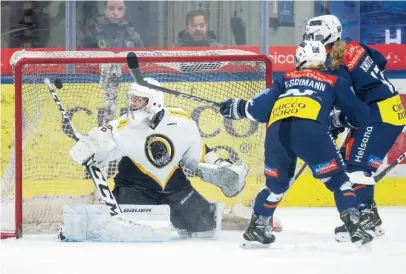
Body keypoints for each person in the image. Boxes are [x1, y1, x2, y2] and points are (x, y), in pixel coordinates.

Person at [219, 40, 372, 248]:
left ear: (300, 57)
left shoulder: (286, 78)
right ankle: (355, 225)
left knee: (275, 185)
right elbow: (360, 115)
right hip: (311, 132)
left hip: (277, 132)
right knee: (338, 181)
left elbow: (259, 109)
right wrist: (343, 119)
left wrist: (237, 107)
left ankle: (258, 226)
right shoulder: (333, 80)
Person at [68, 78, 248, 239]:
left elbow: (196, 156)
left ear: (154, 101)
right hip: (135, 190)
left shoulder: (182, 121)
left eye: (139, 99)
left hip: (175, 188)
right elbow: (102, 142)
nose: (133, 104)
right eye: (132, 98)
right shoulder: (122, 127)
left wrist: (218, 164)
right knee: (133, 236)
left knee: (206, 230)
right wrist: (88, 147)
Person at [303, 15, 406, 242]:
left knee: (356, 167)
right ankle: (371, 216)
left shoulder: (332, 61)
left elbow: (343, 98)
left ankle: (364, 217)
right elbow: (380, 62)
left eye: (312, 34)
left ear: (324, 35)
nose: (308, 38)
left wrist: (335, 122)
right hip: (380, 109)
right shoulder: (351, 45)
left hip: (378, 114)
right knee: (346, 159)